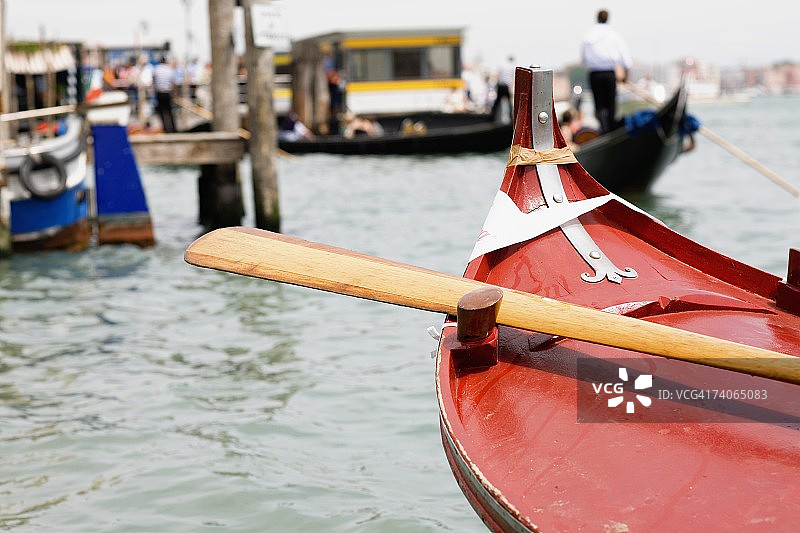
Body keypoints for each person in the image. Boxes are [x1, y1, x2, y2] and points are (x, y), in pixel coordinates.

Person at [580, 9, 632, 133]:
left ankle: (604, 129)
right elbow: (626, 60)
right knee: (610, 105)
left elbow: (583, 59)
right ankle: (610, 130)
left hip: (594, 74)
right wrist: (625, 77)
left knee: (599, 105)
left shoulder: (588, 35)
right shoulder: (614, 35)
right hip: (609, 74)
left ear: (597, 18)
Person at [152, 55, 176, 133]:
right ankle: (173, 129)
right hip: (168, 92)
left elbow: (154, 80)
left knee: (162, 112)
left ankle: (165, 129)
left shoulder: (156, 69)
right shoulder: (169, 69)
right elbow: (173, 82)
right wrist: (174, 93)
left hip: (160, 92)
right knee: (170, 111)